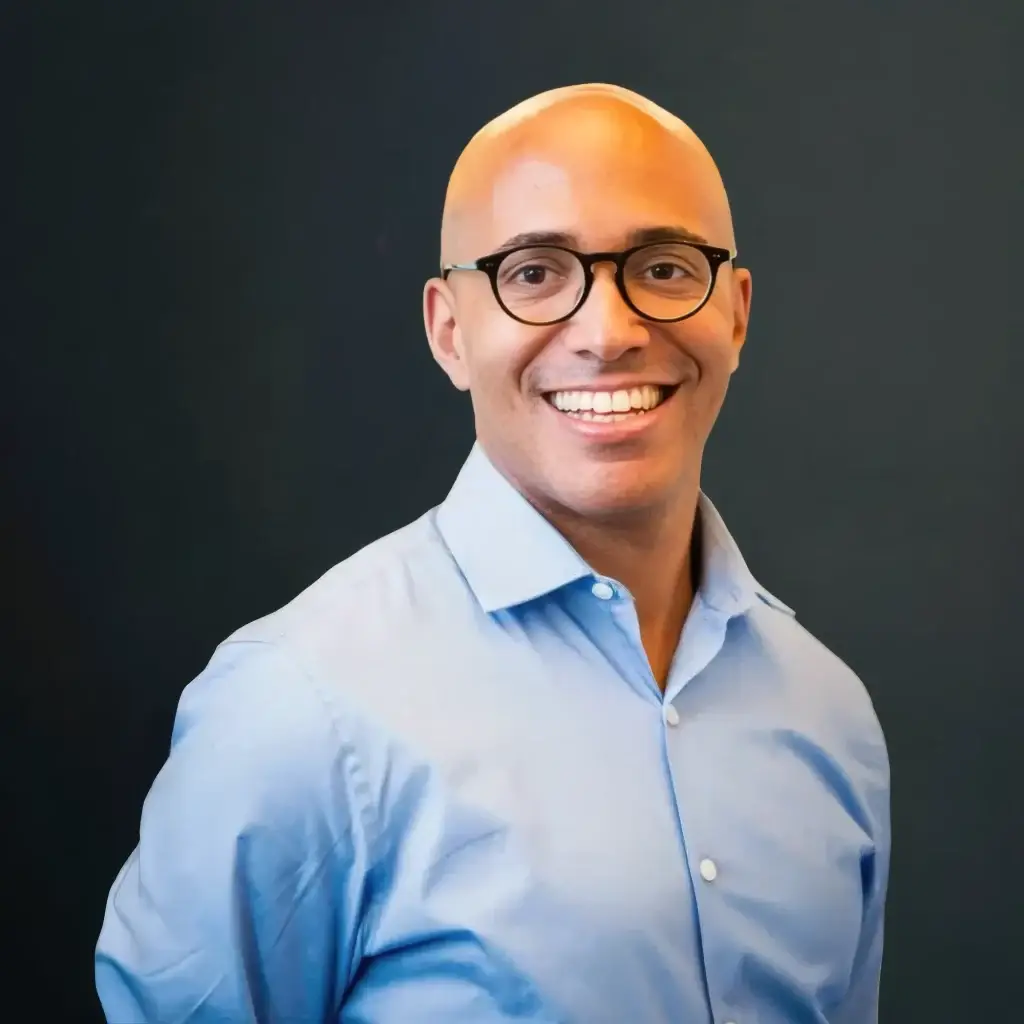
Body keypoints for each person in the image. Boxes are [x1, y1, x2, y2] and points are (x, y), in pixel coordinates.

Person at [95, 83, 890, 1023]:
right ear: (448, 330)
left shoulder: (830, 716)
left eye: (667, 268)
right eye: (535, 272)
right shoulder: (298, 706)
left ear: (736, 315)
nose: (610, 332)